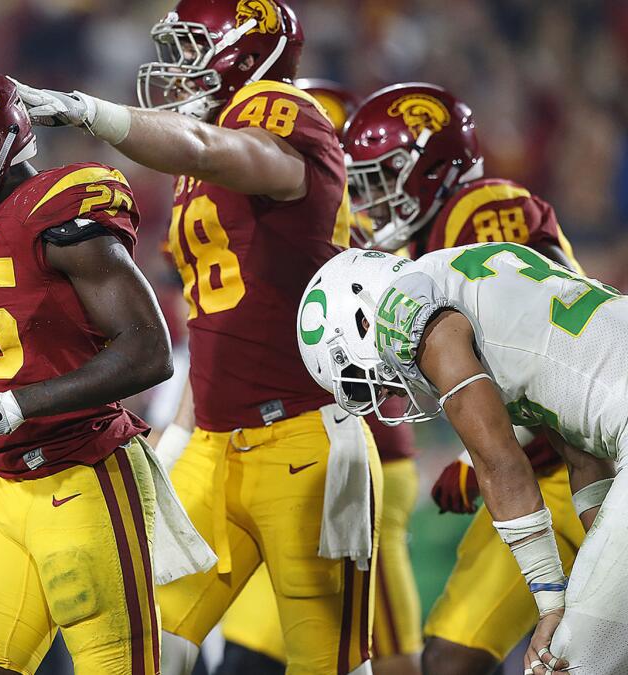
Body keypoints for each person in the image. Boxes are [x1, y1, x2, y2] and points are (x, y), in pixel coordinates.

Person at [12, 2, 383, 672]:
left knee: (326, 664)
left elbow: (212, 147)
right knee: (146, 647)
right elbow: (213, 321)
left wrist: (97, 115)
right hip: (215, 442)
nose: (179, 66)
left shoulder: (279, 114)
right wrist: (176, 441)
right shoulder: (200, 153)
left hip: (301, 438)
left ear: (247, 52)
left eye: (193, 47)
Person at [0, 64, 209, 674]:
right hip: (0, 487)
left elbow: (149, 350)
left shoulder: (61, 214)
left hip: (85, 475)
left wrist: (19, 404)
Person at [297, 243, 628, 675]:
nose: (388, 393)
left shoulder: (405, 312)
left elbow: (500, 463)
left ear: (361, 319)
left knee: (562, 665)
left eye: (367, 380)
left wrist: (550, 604)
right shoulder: (466, 277)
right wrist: (591, 582)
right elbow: (583, 457)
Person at [342, 82, 590, 675]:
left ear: (428, 167)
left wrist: (483, 454)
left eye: (381, 179)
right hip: (534, 470)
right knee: (452, 658)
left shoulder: (482, 210)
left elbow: (552, 346)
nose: (369, 201)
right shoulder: (431, 235)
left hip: (579, 461)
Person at [215, 78, 424, 675]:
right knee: (249, 658)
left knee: (382, 655)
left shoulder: (368, 250)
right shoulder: (304, 230)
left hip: (363, 460)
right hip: (293, 460)